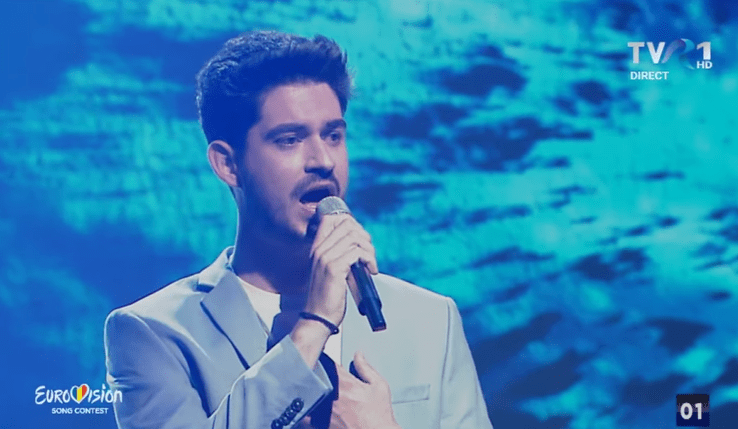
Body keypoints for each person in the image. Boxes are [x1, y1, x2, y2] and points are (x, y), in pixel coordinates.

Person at [103, 30, 492, 429]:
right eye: (289, 140)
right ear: (228, 164)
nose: (323, 160)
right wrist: (315, 324)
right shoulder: (153, 334)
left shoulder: (430, 320)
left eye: (334, 136)